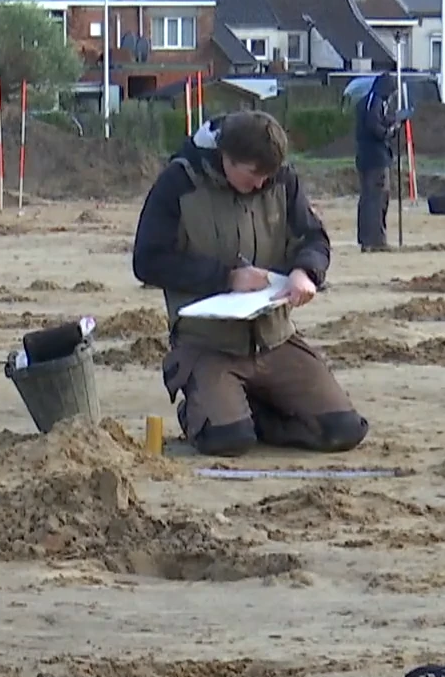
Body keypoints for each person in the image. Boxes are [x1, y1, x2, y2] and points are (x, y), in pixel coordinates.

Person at [131, 110, 369, 458]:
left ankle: (251, 409)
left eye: (269, 175)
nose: (262, 184)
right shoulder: (179, 183)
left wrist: (307, 271)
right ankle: (203, 412)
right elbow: (147, 261)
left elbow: (314, 238)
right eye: (254, 174)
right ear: (227, 156)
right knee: (229, 441)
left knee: (344, 430)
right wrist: (226, 278)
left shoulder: (282, 179)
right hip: (207, 343)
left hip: (275, 338)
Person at [356, 71, 401, 252]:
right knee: (377, 198)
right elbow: (374, 127)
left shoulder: (366, 102)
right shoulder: (375, 103)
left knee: (368, 198)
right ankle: (376, 241)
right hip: (376, 158)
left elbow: (374, 121)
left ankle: (367, 239)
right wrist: (390, 131)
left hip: (365, 157)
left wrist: (392, 119)